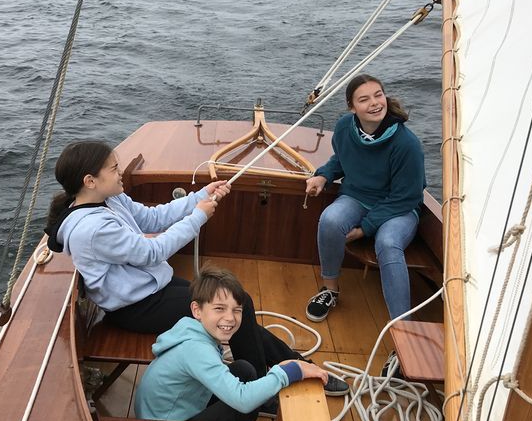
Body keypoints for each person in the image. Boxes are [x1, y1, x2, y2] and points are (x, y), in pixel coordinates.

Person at [45, 140, 350, 395]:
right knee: (236, 306)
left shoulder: (111, 200)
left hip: (152, 288)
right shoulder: (93, 229)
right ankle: (260, 389)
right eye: (114, 169)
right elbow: (152, 252)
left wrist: (201, 196)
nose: (120, 172)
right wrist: (199, 216)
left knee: (237, 306)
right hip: (136, 307)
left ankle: (296, 364)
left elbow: (152, 218)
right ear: (90, 181)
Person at [134, 267, 328, 421]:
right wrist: (289, 371)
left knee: (244, 370)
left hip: (171, 411)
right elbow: (242, 401)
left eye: (237, 310)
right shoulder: (196, 350)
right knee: (243, 405)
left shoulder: (190, 330)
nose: (230, 318)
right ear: (197, 310)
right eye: (219, 308)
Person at [304, 74, 426, 322]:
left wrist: (365, 228)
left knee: (388, 243)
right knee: (330, 220)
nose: (374, 103)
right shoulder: (344, 127)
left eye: (378, 95)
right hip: (358, 197)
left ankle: (403, 327)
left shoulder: (407, 144)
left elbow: (406, 197)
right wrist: (324, 175)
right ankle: (330, 290)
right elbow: (341, 159)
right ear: (352, 107)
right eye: (364, 99)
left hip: (399, 208)